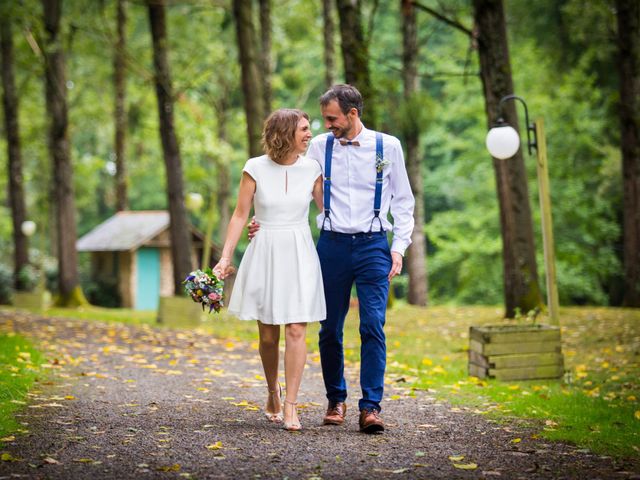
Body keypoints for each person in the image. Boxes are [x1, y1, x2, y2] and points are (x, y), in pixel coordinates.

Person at [251, 85, 415, 433]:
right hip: (330, 247)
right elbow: (288, 183)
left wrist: (398, 247)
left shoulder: (388, 147)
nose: (326, 126)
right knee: (329, 329)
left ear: (352, 114)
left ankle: (370, 407)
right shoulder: (318, 148)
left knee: (372, 325)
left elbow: (403, 201)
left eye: (332, 119)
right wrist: (261, 222)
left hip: (373, 245)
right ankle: (335, 399)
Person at [213, 108, 325, 432]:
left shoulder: (313, 168)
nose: (308, 134)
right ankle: (271, 389)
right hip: (265, 249)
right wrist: (225, 257)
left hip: (299, 250)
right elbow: (239, 214)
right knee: (268, 335)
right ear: (285, 132)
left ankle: (291, 404)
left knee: (296, 330)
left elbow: (327, 211)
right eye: (303, 129)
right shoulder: (254, 168)